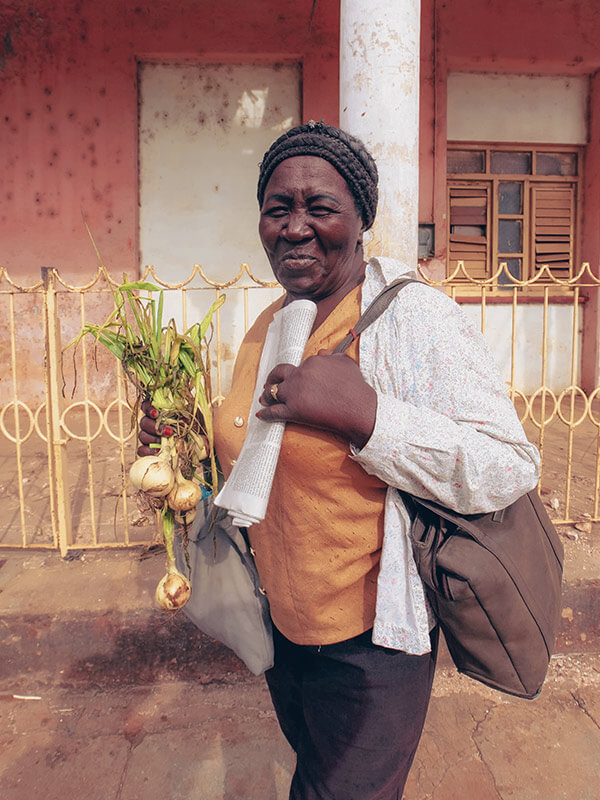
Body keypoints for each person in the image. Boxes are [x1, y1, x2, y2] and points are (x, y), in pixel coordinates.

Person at [139, 121, 540, 800]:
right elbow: (256, 465)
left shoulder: (413, 320)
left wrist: (369, 417)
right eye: (278, 208)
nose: (296, 227)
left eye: (320, 207)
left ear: (360, 221)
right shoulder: (271, 325)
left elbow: (508, 464)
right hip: (284, 632)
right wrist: (180, 441)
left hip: (374, 648)